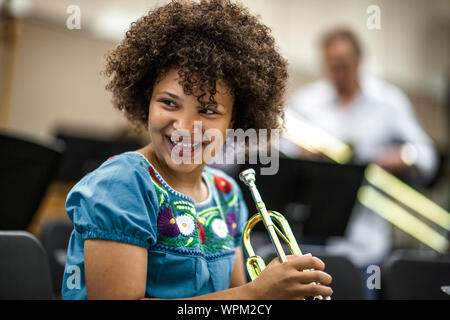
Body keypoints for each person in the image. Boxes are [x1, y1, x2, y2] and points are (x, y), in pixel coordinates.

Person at [62, 0, 332, 300]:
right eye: (169, 102)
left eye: (208, 110)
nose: (186, 126)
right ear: (146, 99)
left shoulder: (226, 192)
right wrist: (256, 293)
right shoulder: (122, 184)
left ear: (235, 120)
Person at [285, 28, 438, 298]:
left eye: (343, 66)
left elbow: (427, 157)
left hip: (366, 244)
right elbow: (281, 153)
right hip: (312, 240)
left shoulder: (388, 102)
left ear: (359, 61)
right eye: (331, 66)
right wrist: (305, 155)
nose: (337, 74)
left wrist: (401, 157)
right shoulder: (307, 102)